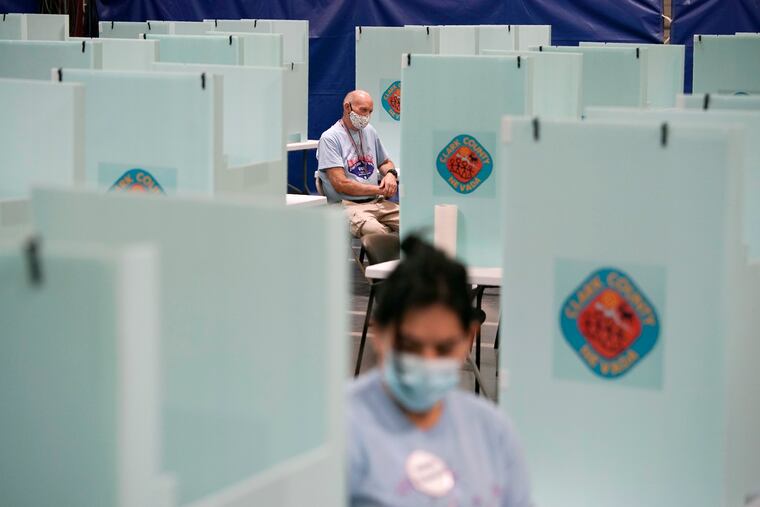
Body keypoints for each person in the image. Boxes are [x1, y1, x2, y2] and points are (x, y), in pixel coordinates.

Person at [347, 236, 532, 507]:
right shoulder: (342, 429)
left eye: (444, 348)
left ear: (469, 337)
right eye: (410, 345)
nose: (427, 360)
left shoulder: (493, 432)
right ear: (380, 333)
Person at [317, 90, 399, 237]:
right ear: (347, 107)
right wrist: (379, 190)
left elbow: (385, 162)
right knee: (381, 235)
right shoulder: (330, 138)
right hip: (347, 206)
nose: (366, 116)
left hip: (377, 202)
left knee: (413, 223)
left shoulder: (369, 131)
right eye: (363, 110)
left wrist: (391, 175)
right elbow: (341, 184)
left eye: (370, 112)